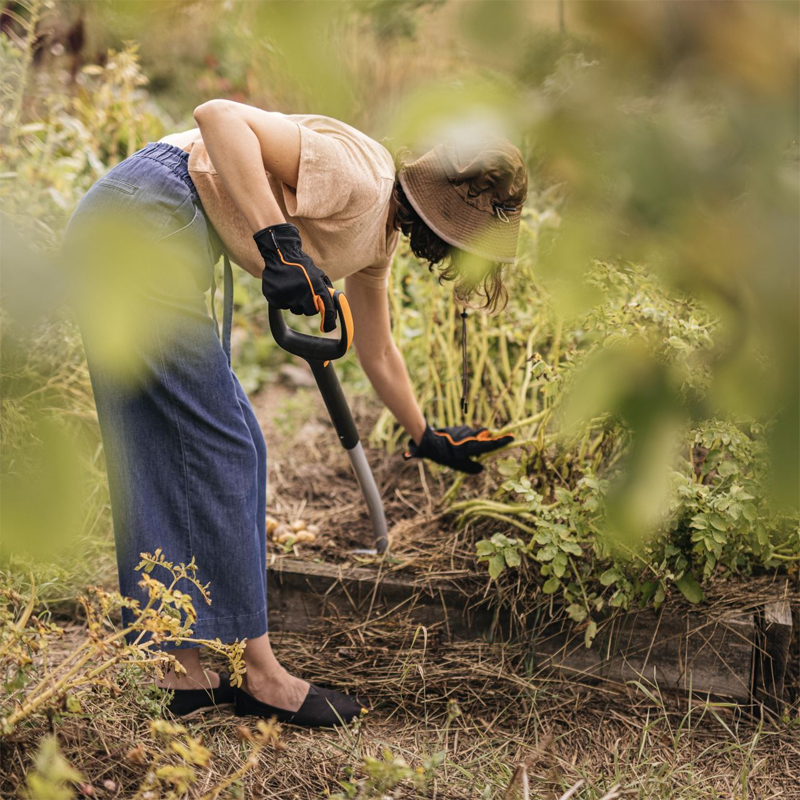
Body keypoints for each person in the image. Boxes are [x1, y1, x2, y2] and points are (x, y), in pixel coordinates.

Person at [62, 100, 527, 727]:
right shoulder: (360, 175)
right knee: (230, 447)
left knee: (151, 444)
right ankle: (262, 677)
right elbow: (218, 117)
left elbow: (377, 345)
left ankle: (175, 668)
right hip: (147, 217)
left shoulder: (378, 235)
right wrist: (278, 245)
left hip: (128, 224)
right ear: (440, 212)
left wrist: (427, 435)